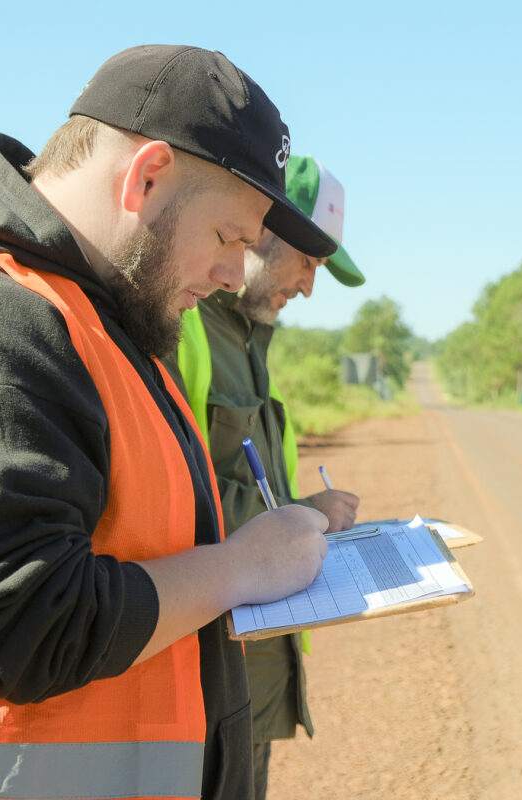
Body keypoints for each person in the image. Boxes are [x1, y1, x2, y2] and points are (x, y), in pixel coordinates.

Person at [0, 45, 334, 800]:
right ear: (147, 177)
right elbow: (26, 626)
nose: (236, 274)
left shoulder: (101, 322)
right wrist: (245, 566)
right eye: (232, 237)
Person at [169, 154, 364, 799]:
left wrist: (305, 510)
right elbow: (166, 500)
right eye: (307, 263)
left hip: (252, 667)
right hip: (197, 673)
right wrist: (295, 515)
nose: (311, 286)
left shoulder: (255, 347)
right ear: (260, 232)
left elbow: (251, 489)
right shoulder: (183, 332)